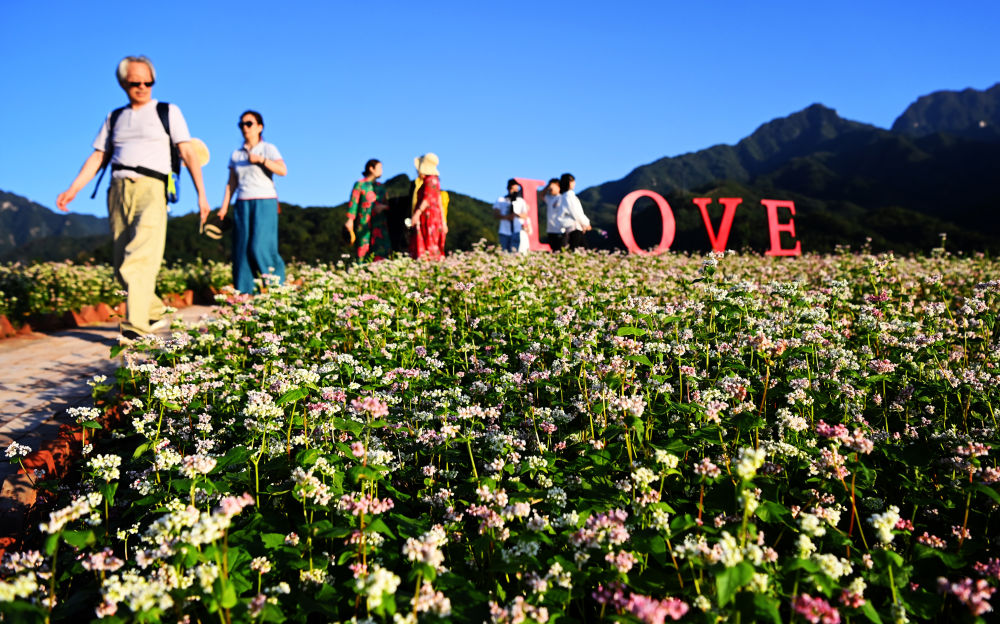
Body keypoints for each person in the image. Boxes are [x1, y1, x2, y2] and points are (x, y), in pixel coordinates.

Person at [56, 55, 210, 340]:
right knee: (120, 265)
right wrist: (73, 188)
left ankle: (135, 327)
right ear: (123, 84)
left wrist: (202, 195)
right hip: (117, 191)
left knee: (137, 258)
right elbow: (99, 156)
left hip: (153, 187)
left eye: (148, 82)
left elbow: (188, 152)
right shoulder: (115, 117)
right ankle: (154, 310)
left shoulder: (168, 111)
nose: (142, 87)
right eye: (135, 82)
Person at [217, 110, 287, 293]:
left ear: (259, 127)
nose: (245, 127)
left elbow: (282, 170)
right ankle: (245, 290)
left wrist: (262, 160)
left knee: (260, 245)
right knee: (242, 246)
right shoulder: (236, 154)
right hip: (242, 201)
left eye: (249, 124)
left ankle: (276, 286)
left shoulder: (268, 149)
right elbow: (231, 183)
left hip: (265, 200)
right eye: (242, 124)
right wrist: (224, 207)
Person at [345, 159, 391, 261]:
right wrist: (350, 220)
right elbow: (354, 203)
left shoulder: (381, 187)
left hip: (380, 223)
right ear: (371, 168)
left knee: (381, 250)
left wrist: (383, 207)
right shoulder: (360, 185)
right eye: (379, 168)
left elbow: (389, 205)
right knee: (363, 248)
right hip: (364, 222)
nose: (381, 170)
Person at [409, 153, 447, 260]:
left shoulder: (430, 180)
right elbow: (439, 202)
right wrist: (444, 222)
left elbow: (427, 199)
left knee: (427, 244)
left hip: (428, 218)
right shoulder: (434, 180)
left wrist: (416, 214)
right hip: (434, 217)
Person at [493, 178, 531, 253]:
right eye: (512, 189)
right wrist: (507, 217)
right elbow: (495, 214)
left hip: (517, 231)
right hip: (504, 231)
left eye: (516, 189)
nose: (514, 191)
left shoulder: (521, 201)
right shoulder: (501, 200)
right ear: (508, 188)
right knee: (504, 253)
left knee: (515, 252)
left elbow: (525, 215)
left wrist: (516, 215)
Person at [554, 173, 591, 250]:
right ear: (569, 183)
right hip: (574, 228)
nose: (574, 183)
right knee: (581, 251)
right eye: (573, 181)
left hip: (571, 228)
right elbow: (576, 213)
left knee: (577, 250)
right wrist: (585, 223)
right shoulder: (569, 197)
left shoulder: (564, 197)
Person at [540, 178, 564, 251]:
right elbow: (541, 195)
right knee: (553, 250)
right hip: (551, 230)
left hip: (560, 230)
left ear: (558, 186)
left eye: (552, 186)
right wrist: (548, 186)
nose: (550, 189)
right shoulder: (550, 199)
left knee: (561, 250)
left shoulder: (562, 198)